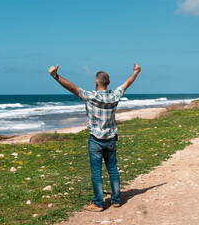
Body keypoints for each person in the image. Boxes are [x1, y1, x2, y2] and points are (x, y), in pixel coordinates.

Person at [48, 63, 141, 212]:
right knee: (112, 169)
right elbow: (127, 83)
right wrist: (136, 72)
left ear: (96, 83)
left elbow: (72, 87)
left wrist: (55, 76)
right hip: (111, 140)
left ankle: (98, 203)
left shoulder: (90, 96)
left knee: (97, 172)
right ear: (108, 83)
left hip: (96, 141)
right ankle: (116, 200)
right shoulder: (114, 95)